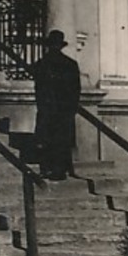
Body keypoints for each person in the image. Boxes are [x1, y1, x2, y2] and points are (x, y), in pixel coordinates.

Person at [30, 29, 81, 179]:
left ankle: (51, 169)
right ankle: (57, 169)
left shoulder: (43, 64)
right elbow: (75, 90)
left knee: (51, 139)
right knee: (58, 140)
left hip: (52, 109)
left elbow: (75, 89)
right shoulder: (68, 64)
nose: (54, 48)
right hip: (59, 109)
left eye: (54, 45)